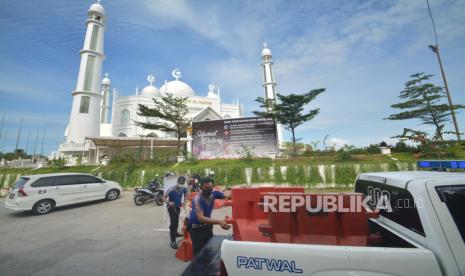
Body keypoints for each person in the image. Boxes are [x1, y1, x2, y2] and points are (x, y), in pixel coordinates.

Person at [188, 177, 231, 256]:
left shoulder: (214, 193)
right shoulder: (197, 199)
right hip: (196, 230)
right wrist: (219, 222)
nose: (209, 189)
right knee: (199, 254)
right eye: (206, 188)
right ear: (201, 188)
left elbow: (226, 195)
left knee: (209, 249)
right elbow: (201, 218)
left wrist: (232, 191)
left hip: (207, 227)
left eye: (210, 187)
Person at [165, 176, 188, 249]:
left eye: (182, 183)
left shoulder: (184, 188)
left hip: (178, 207)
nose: (181, 184)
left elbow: (186, 196)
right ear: (177, 182)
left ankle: (176, 233)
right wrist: (168, 202)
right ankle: (172, 241)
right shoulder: (171, 189)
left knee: (177, 221)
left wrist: (184, 203)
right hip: (171, 207)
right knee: (173, 223)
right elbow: (163, 197)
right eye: (180, 183)